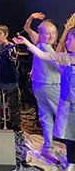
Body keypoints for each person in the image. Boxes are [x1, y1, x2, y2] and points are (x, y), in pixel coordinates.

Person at [13, 29, 75, 171]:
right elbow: (42, 54)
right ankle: (71, 161)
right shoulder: (64, 58)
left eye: (70, 39)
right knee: (69, 133)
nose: (66, 42)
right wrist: (26, 42)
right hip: (67, 104)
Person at [23, 13, 61, 159]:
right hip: (50, 86)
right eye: (48, 34)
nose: (51, 36)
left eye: (53, 33)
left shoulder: (39, 44)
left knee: (45, 116)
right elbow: (59, 66)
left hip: (38, 85)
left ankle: (48, 146)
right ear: (41, 34)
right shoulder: (46, 47)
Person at [0, 25, 21, 131]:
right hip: (0, 78)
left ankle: (15, 124)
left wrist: (7, 48)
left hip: (10, 78)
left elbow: (13, 58)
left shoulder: (10, 46)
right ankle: (5, 119)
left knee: (14, 103)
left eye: (0, 33)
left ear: (6, 35)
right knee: (2, 102)